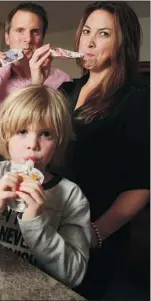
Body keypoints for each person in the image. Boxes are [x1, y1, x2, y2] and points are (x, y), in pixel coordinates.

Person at [0, 85, 91, 288]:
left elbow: (73, 273)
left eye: (46, 134)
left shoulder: (71, 197)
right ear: (6, 135)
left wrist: (36, 222)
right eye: (22, 131)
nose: (32, 144)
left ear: (58, 142)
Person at [57, 2, 150, 299]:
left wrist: (95, 234)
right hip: (50, 229)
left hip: (94, 242)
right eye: (86, 31)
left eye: (104, 34)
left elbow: (142, 184)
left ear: (123, 43)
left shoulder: (136, 99)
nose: (90, 41)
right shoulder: (65, 91)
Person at [0, 2, 71, 160]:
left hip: (40, 173)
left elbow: (62, 138)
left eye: (35, 32)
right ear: (7, 37)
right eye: (20, 30)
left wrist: (37, 86)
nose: (27, 39)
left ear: (43, 38)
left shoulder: (62, 81)